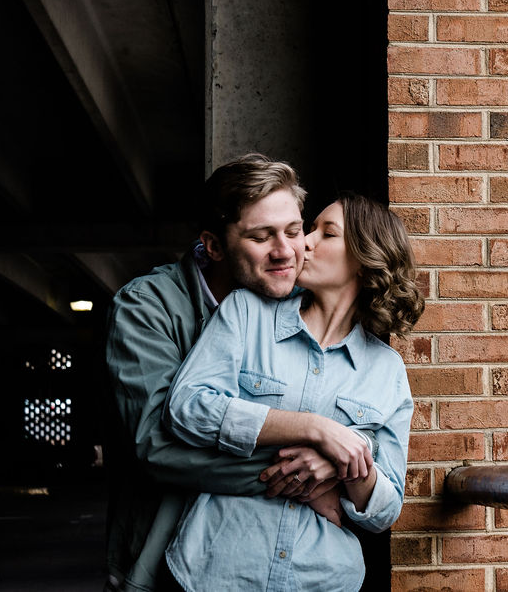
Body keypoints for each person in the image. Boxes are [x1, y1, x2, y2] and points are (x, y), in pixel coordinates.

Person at [104, 154, 374, 591]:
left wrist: (335, 457)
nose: (287, 251)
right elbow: (155, 445)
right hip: (157, 559)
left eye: (292, 230)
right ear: (213, 245)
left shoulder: (299, 307)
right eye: (261, 236)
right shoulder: (146, 307)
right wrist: (309, 478)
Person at [161, 191, 423, 591]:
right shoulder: (246, 312)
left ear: (365, 259)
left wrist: (342, 468)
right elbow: (187, 409)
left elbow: (386, 508)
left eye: (326, 233)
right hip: (216, 570)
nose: (304, 243)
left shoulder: (386, 370)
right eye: (310, 229)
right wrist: (317, 430)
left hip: (322, 578)